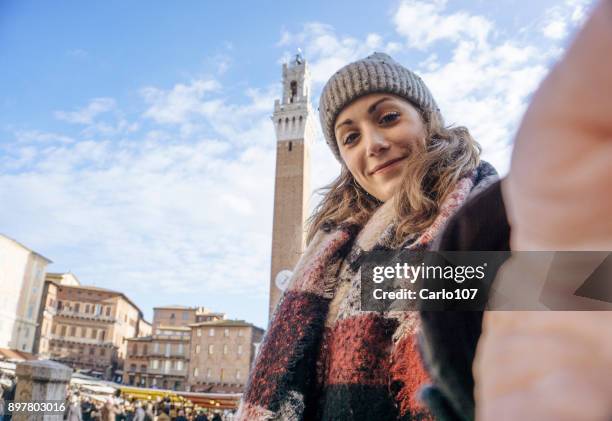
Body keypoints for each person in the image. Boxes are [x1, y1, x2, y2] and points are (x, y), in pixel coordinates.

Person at [237, 52, 499, 420]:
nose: (372, 144)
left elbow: (585, 289)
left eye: (388, 118)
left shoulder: (495, 209)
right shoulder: (331, 254)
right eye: (350, 137)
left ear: (427, 119)